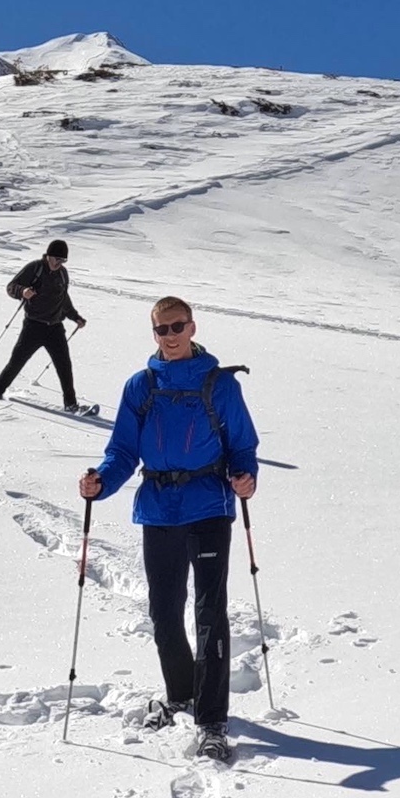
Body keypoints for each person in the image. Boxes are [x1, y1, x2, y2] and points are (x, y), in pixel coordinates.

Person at [78, 296, 258, 764]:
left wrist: (245, 476)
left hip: (209, 506)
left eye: (177, 326)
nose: (170, 335)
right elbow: (122, 451)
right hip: (159, 509)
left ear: (193, 327)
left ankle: (212, 720)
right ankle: (181, 693)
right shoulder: (141, 387)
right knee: (163, 612)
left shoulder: (220, 386)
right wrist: (101, 482)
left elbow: (242, 443)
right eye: (162, 329)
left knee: (209, 615)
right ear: (153, 333)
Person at [0, 238, 93, 412]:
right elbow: (11, 286)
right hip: (33, 326)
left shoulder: (63, 274)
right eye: (57, 259)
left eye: (63, 260)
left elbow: (63, 300)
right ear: (48, 256)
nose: (59, 263)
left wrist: (75, 317)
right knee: (17, 361)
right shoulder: (35, 268)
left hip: (55, 328)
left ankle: (70, 404)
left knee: (64, 365)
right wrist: (23, 291)